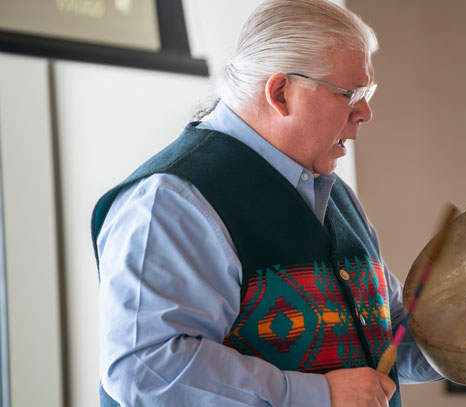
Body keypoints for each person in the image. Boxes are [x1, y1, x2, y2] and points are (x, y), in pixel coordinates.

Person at [91, 1, 441, 406]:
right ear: (280, 93)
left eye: (368, 92)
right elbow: (146, 370)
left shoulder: (333, 193)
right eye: (351, 93)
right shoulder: (172, 200)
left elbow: (389, 332)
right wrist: (317, 395)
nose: (365, 112)